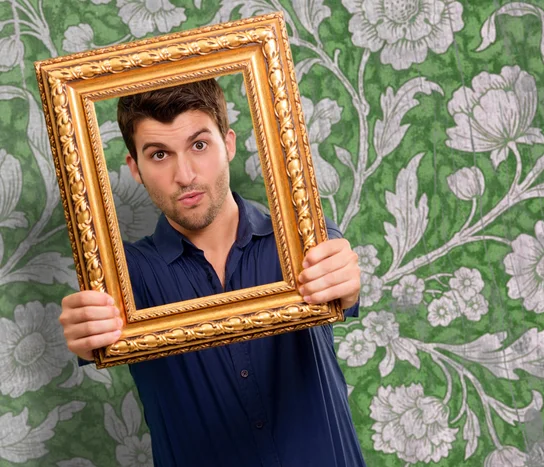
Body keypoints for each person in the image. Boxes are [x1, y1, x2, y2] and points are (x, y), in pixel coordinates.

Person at [59, 79, 365, 466]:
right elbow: (93, 329)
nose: (185, 175)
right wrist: (88, 331)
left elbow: (341, 286)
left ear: (229, 144)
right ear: (135, 169)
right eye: (159, 155)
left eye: (199, 145)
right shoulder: (122, 277)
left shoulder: (306, 238)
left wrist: (345, 284)